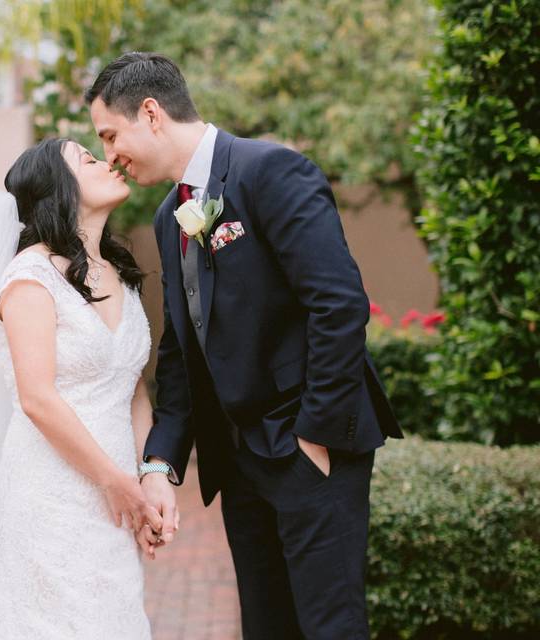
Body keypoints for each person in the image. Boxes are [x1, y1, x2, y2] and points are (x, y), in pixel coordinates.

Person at [85, 52, 404, 639]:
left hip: (310, 448)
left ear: (151, 113)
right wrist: (160, 463)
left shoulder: (271, 170)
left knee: (329, 627)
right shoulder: (169, 216)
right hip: (241, 462)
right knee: (265, 627)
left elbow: (338, 304)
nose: (111, 155)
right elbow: (181, 355)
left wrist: (315, 434)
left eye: (110, 134)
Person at [0, 137, 166, 639]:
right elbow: (38, 400)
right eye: (88, 159)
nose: (107, 160)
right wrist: (117, 483)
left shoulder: (121, 274)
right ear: (59, 189)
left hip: (115, 500)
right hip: (51, 494)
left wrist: (150, 477)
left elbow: (132, 390)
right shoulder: (29, 279)